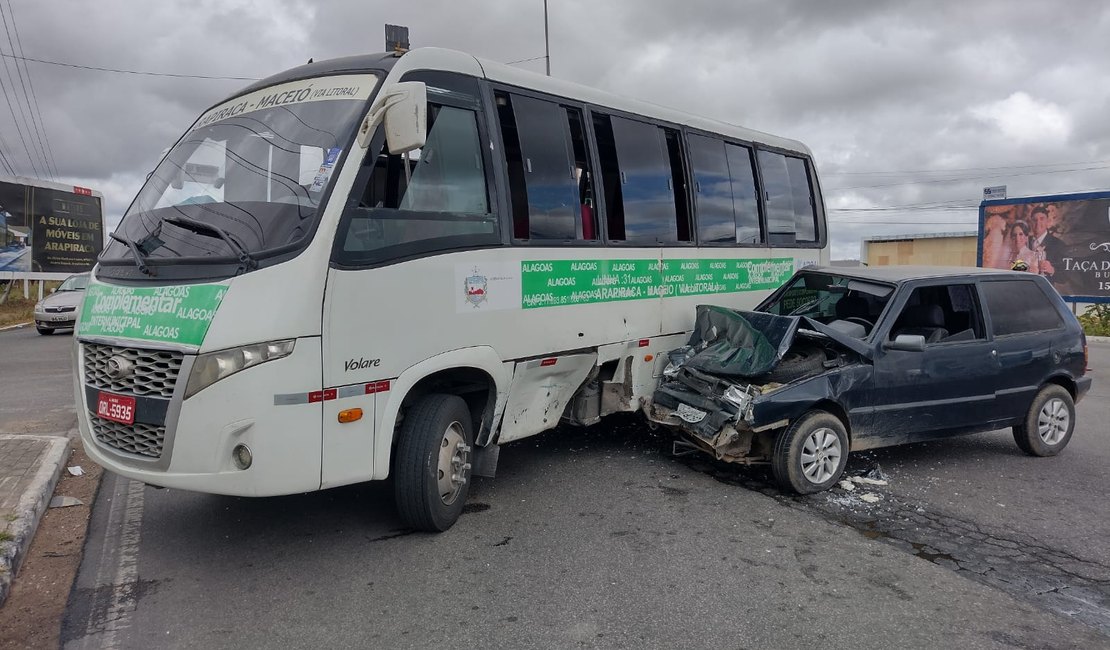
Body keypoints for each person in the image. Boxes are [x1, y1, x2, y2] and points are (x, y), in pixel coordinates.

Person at [1030, 206, 1063, 277]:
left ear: (1047, 221)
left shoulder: (1057, 244)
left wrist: (1052, 270)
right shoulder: (1025, 241)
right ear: (1031, 222)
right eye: (1034, 220)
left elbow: (1064, 276)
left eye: (1041, 219)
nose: (1038, 222)